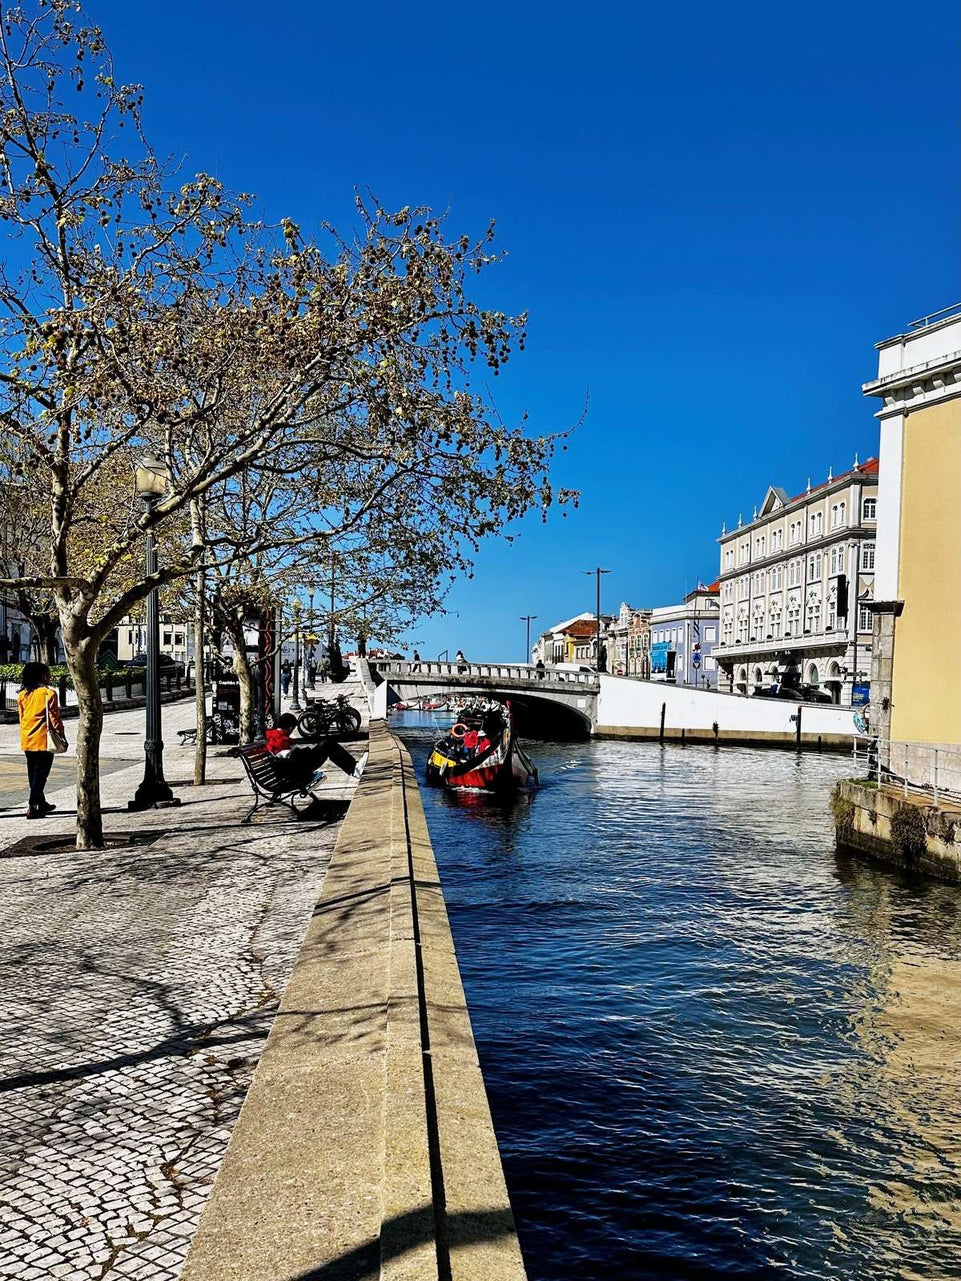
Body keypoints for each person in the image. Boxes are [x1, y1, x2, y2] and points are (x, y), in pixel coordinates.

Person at [17, 661, 66, 819]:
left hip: (27, 738)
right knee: (41, 774)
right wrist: (61, 735)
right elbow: (55, 719)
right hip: (43, 739)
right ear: (42, 676)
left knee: (33, 773)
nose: (50, 676)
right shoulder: (48, 693)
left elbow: (21, 717)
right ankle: (33, 805)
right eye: (48, 673)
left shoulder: (22, 694)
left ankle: (41, 802)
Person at [265, 713, 357, 780]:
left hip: (294, 767)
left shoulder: (274, 736)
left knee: (326, 744)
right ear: (290, 727)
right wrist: (306, 750)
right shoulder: (280, 740)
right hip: (297, 770)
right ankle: (353, 768)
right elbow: (291, 756)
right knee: (327, 745)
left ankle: (353, 767)